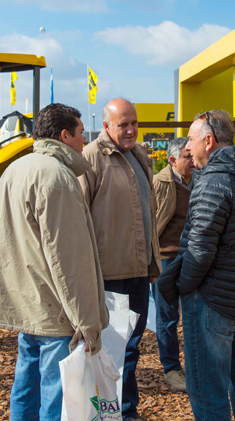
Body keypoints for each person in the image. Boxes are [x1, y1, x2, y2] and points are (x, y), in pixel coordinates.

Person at [0, 104, 108, 421]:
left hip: (26, 301)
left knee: (26, 388)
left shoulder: (15, 169)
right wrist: (86, 321)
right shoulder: (58, 178)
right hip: (55, 309)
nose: (84, 140)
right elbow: (69, 259)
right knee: (56, 398)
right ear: (64, 135)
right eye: (81, 133)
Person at [157, 110, 235, 421]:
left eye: (191, 141)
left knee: (208, 390)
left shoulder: (214, 180)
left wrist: (181, 286)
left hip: (214, 301)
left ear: (209, 141)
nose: (186, 149)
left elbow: (200, 248)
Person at [80, 98, 160, 421]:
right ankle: (116, 414)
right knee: (113, 351)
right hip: (110, 275)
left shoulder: (139, 155)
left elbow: (147, 212)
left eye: (134, 123)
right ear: (106, 126)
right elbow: (80, 216)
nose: (130, 130)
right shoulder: (91, 157)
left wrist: (151, 263)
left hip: (139, 274)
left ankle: (122, 411)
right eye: (122, 124)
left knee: (131, 348)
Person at [151, 137, 193, 392]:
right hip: (166, 259)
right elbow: (149, 223)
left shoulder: (198, 181)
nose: (192, 160)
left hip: (192, 258)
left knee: (193, 314)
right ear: (173, 160)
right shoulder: (159, 183)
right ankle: (171, 368)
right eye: (187, 156)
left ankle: (196, 364)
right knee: (167, 317)